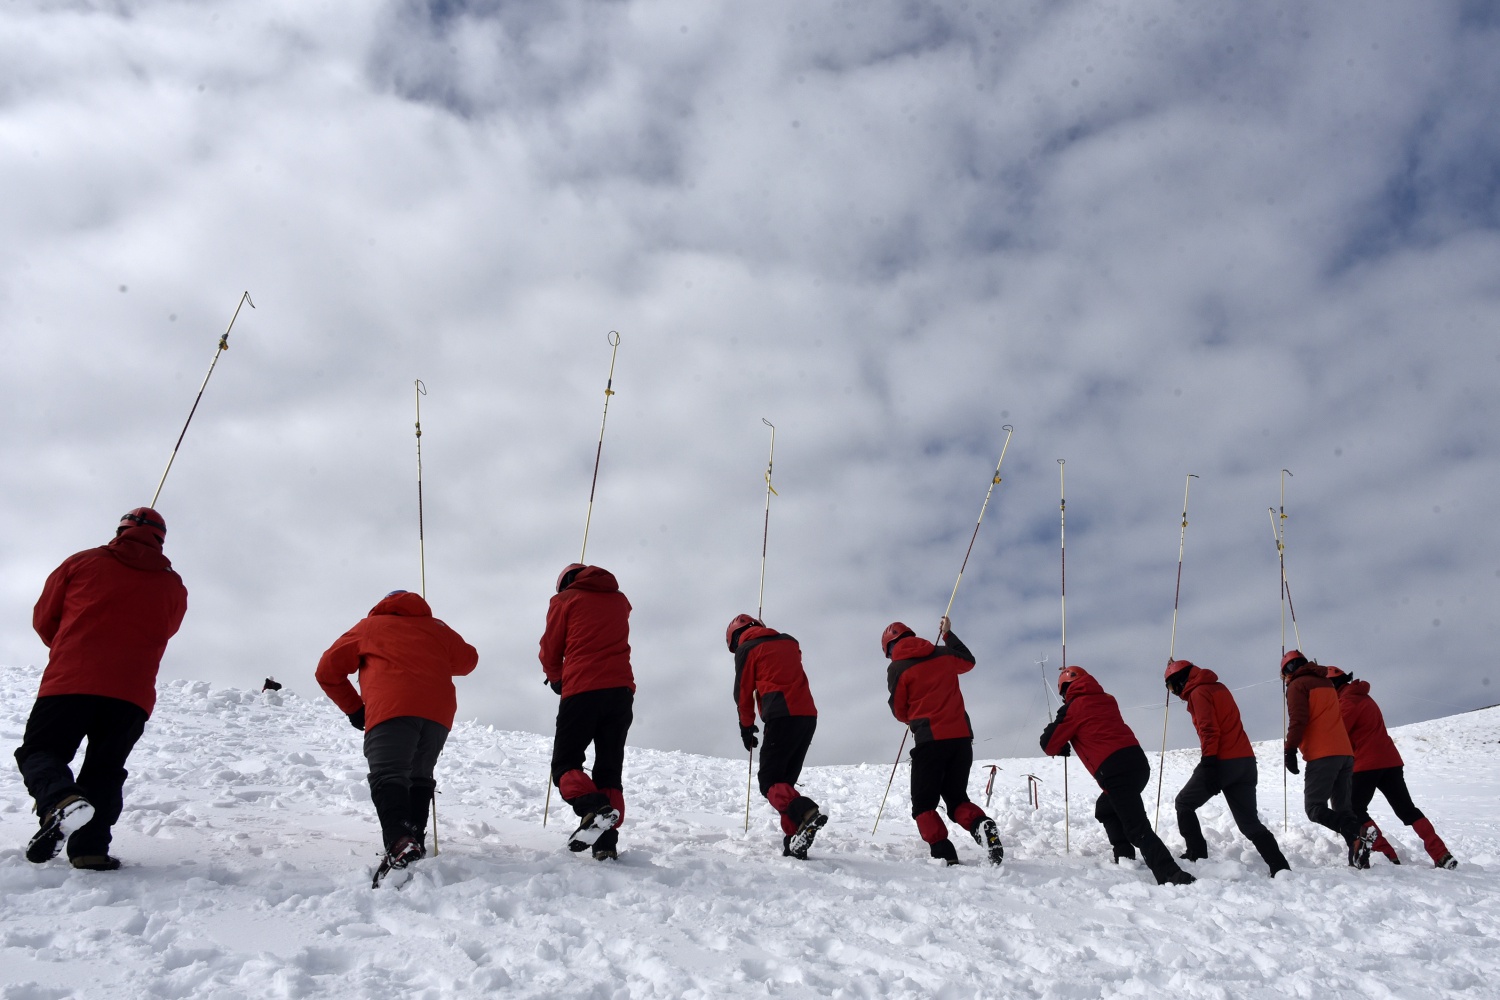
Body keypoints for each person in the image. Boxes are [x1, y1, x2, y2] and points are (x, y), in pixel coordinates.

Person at [16, 508, 188, 871]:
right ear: (161, 540)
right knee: (105, 768)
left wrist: (68, 646)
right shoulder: (173, 585)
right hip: (131, 694)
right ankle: (90, 850)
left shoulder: (82, 562)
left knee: (41, 750)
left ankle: (61, 800)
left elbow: (45, 617)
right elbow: (168, 628)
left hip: (71, 680)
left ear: (120, 530)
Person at [317, 589, 477, 877]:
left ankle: (401, 844)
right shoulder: (438, 628)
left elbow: (327, 671)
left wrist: (355, 709)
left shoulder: (370, 627)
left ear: (382, 605)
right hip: (437, 716)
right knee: (418, 776)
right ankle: (412, 842)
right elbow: (468, 661)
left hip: (392, 709)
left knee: (389, 774)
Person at [1040, 665, 1195, 886]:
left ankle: (1170, 873)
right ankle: (1124, 855)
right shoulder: (1107, 700)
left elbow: (1048, 743)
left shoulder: (1073, 707)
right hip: (1137, 764)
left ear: (1066, 690)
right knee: (1105, 808)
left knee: (1136, 827)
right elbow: (1095, 728)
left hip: (1114, 770)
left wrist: (1059, 738)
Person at [883, 617, 1004, 867]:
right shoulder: (943, 654)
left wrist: (911, 719)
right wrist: (948, 634)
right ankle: (981, 824)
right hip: (961, 739)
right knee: (956, 798)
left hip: (930, 742)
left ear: (890, 648)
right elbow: (968, 662)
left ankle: (943, 850)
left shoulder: (897, 668)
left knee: (923, 804)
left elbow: (898, 710)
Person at [541, 564, 635, 860]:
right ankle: (606, 842)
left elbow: (550, 649)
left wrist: (557, 678)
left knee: (565, 764)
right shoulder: (620, 601)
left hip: (582, 689)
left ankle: (592, 807)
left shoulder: (565, 601)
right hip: (621, 691)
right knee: (609, 768)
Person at [1164, 660, 1289, 876]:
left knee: (1184, 803)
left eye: (1171, 687)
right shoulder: (1218, 687)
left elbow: (1209, 730)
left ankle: (1197, 854)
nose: (1174, 693)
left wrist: (1210, 763)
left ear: (1180, 680)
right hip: (1246, 762)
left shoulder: (1198, 693)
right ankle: (1279, 866)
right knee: (1249, 823)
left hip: (1222, 761)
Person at [1326, 666, 1457, 870]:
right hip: (1390, 761)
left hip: (1366, 764)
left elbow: (1337, 735)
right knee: (1407, 809)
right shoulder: (1363, 697)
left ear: (1334, 685)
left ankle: (1385, 854)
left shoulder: (1347, 702)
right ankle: (1441, 854)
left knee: (1353, 809)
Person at [726, 614, 827, 859]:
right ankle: (795, 839)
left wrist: (746, 727)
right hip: (807, 716)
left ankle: (804, 811)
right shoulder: (789, 642)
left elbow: (743, 693)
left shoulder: (747, 649)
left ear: (735, 639)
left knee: (769, 780)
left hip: (781, 715)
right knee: (783, 784)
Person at [1281, 649, 1375, 868]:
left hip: (1322, 754)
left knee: (1314, 808)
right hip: (1344, 753)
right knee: (1343, 809)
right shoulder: (1326, 683)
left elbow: (1298, 719)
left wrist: (1290, 750)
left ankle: (1356, 833)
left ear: (1288, 670)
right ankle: (1358, 856)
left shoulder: (1297, 686)